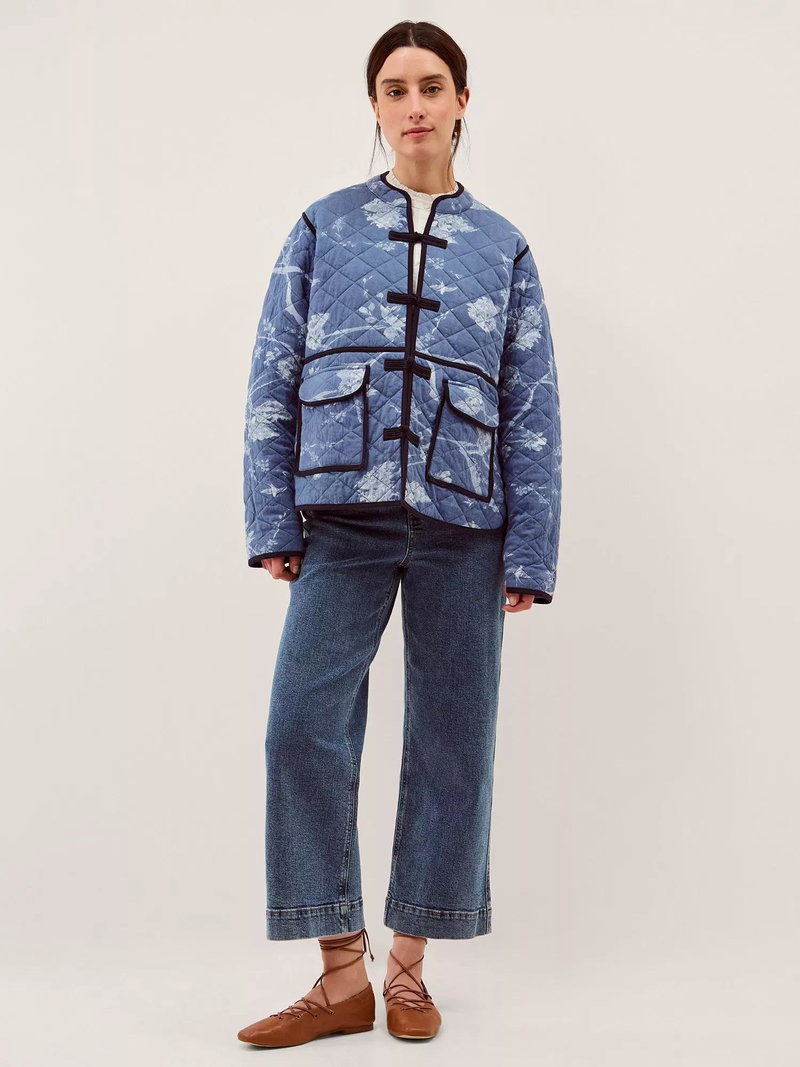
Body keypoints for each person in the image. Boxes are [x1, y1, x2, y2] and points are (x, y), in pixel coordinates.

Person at [237, 19, 562, 1049]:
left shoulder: (503, 246)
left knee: (453, 739)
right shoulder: (323, 225)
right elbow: (272, 373)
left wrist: (530, 548)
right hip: (341, 514)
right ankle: (341, 971)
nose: (413, 104)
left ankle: (411, 967)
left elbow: (532, 405)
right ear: (374, 107)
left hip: (466, 522)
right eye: (393, 88)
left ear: (462, 100)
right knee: (300, 724)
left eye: (430, 85)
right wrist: (272, 515)